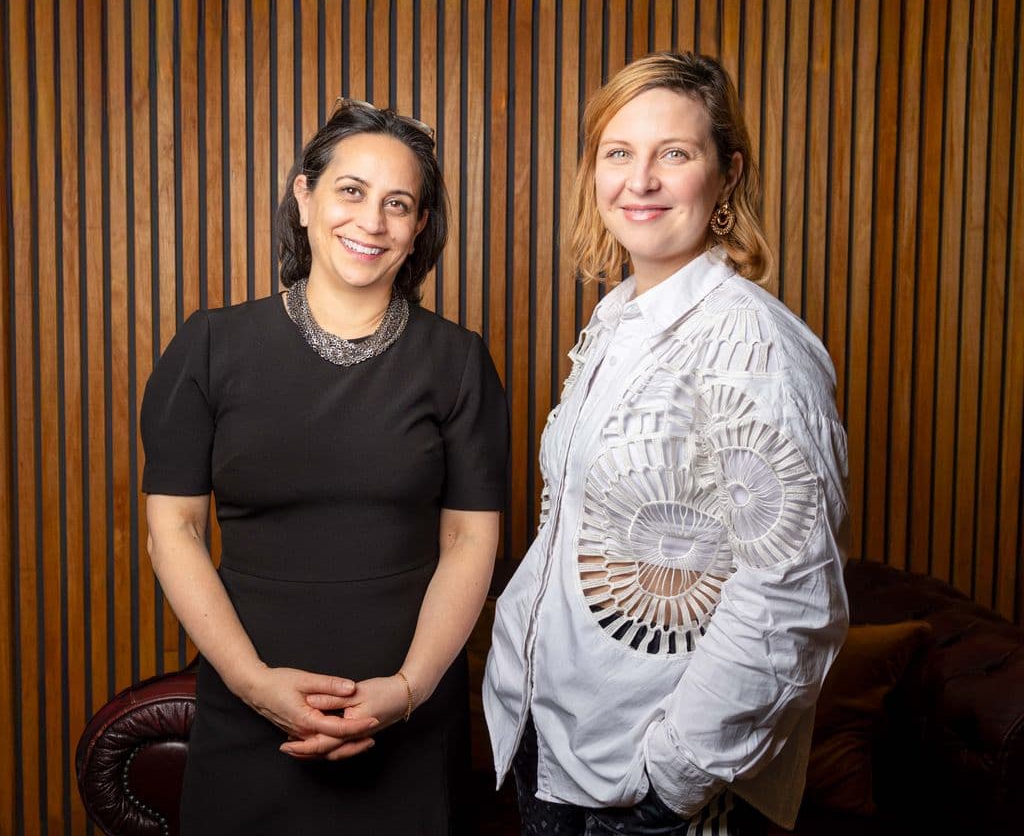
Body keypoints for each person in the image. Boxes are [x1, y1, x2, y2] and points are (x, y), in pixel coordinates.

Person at [484, 52, 848, 835]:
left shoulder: (752, 345)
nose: (639, 181)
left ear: (726, 175)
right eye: (619, 153)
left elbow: (790, 596)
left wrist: (675, 775)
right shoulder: (618, 319)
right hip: (552, 746)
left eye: (673, 154)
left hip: (645, 784)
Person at [141, 100, 508, 834]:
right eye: (351, 191)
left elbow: (471, 542)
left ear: (419, 229)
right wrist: (253, 684)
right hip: (247, 718)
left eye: (397, 204)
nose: (372, 221)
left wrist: (405, 691)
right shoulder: (211, 346)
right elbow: (172, 531)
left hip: (407, 724)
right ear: (304, 197)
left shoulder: (459, 363)